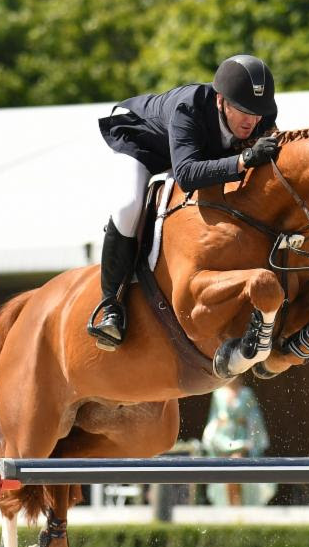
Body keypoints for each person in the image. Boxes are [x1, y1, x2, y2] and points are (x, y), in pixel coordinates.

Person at [89, 55, 280, 349]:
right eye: (242, 111)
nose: (251, 121)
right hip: (140, 141)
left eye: (256, 113)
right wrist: (242, 159)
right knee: (129, 206)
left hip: (186, 152)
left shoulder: (261, 115)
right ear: (221, 101)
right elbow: (188, 174)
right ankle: (110, 308)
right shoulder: (189, 107)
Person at [201, 377, 273, 506]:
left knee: (237, 464)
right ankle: (230, 507)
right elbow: (214, 417)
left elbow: (255, 417)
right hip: (223, 439)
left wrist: (246, 421)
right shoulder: (218, 394)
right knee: (226, 468)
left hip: (242, 439)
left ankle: (241, 505)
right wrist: (220, 423)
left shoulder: (246, 393)